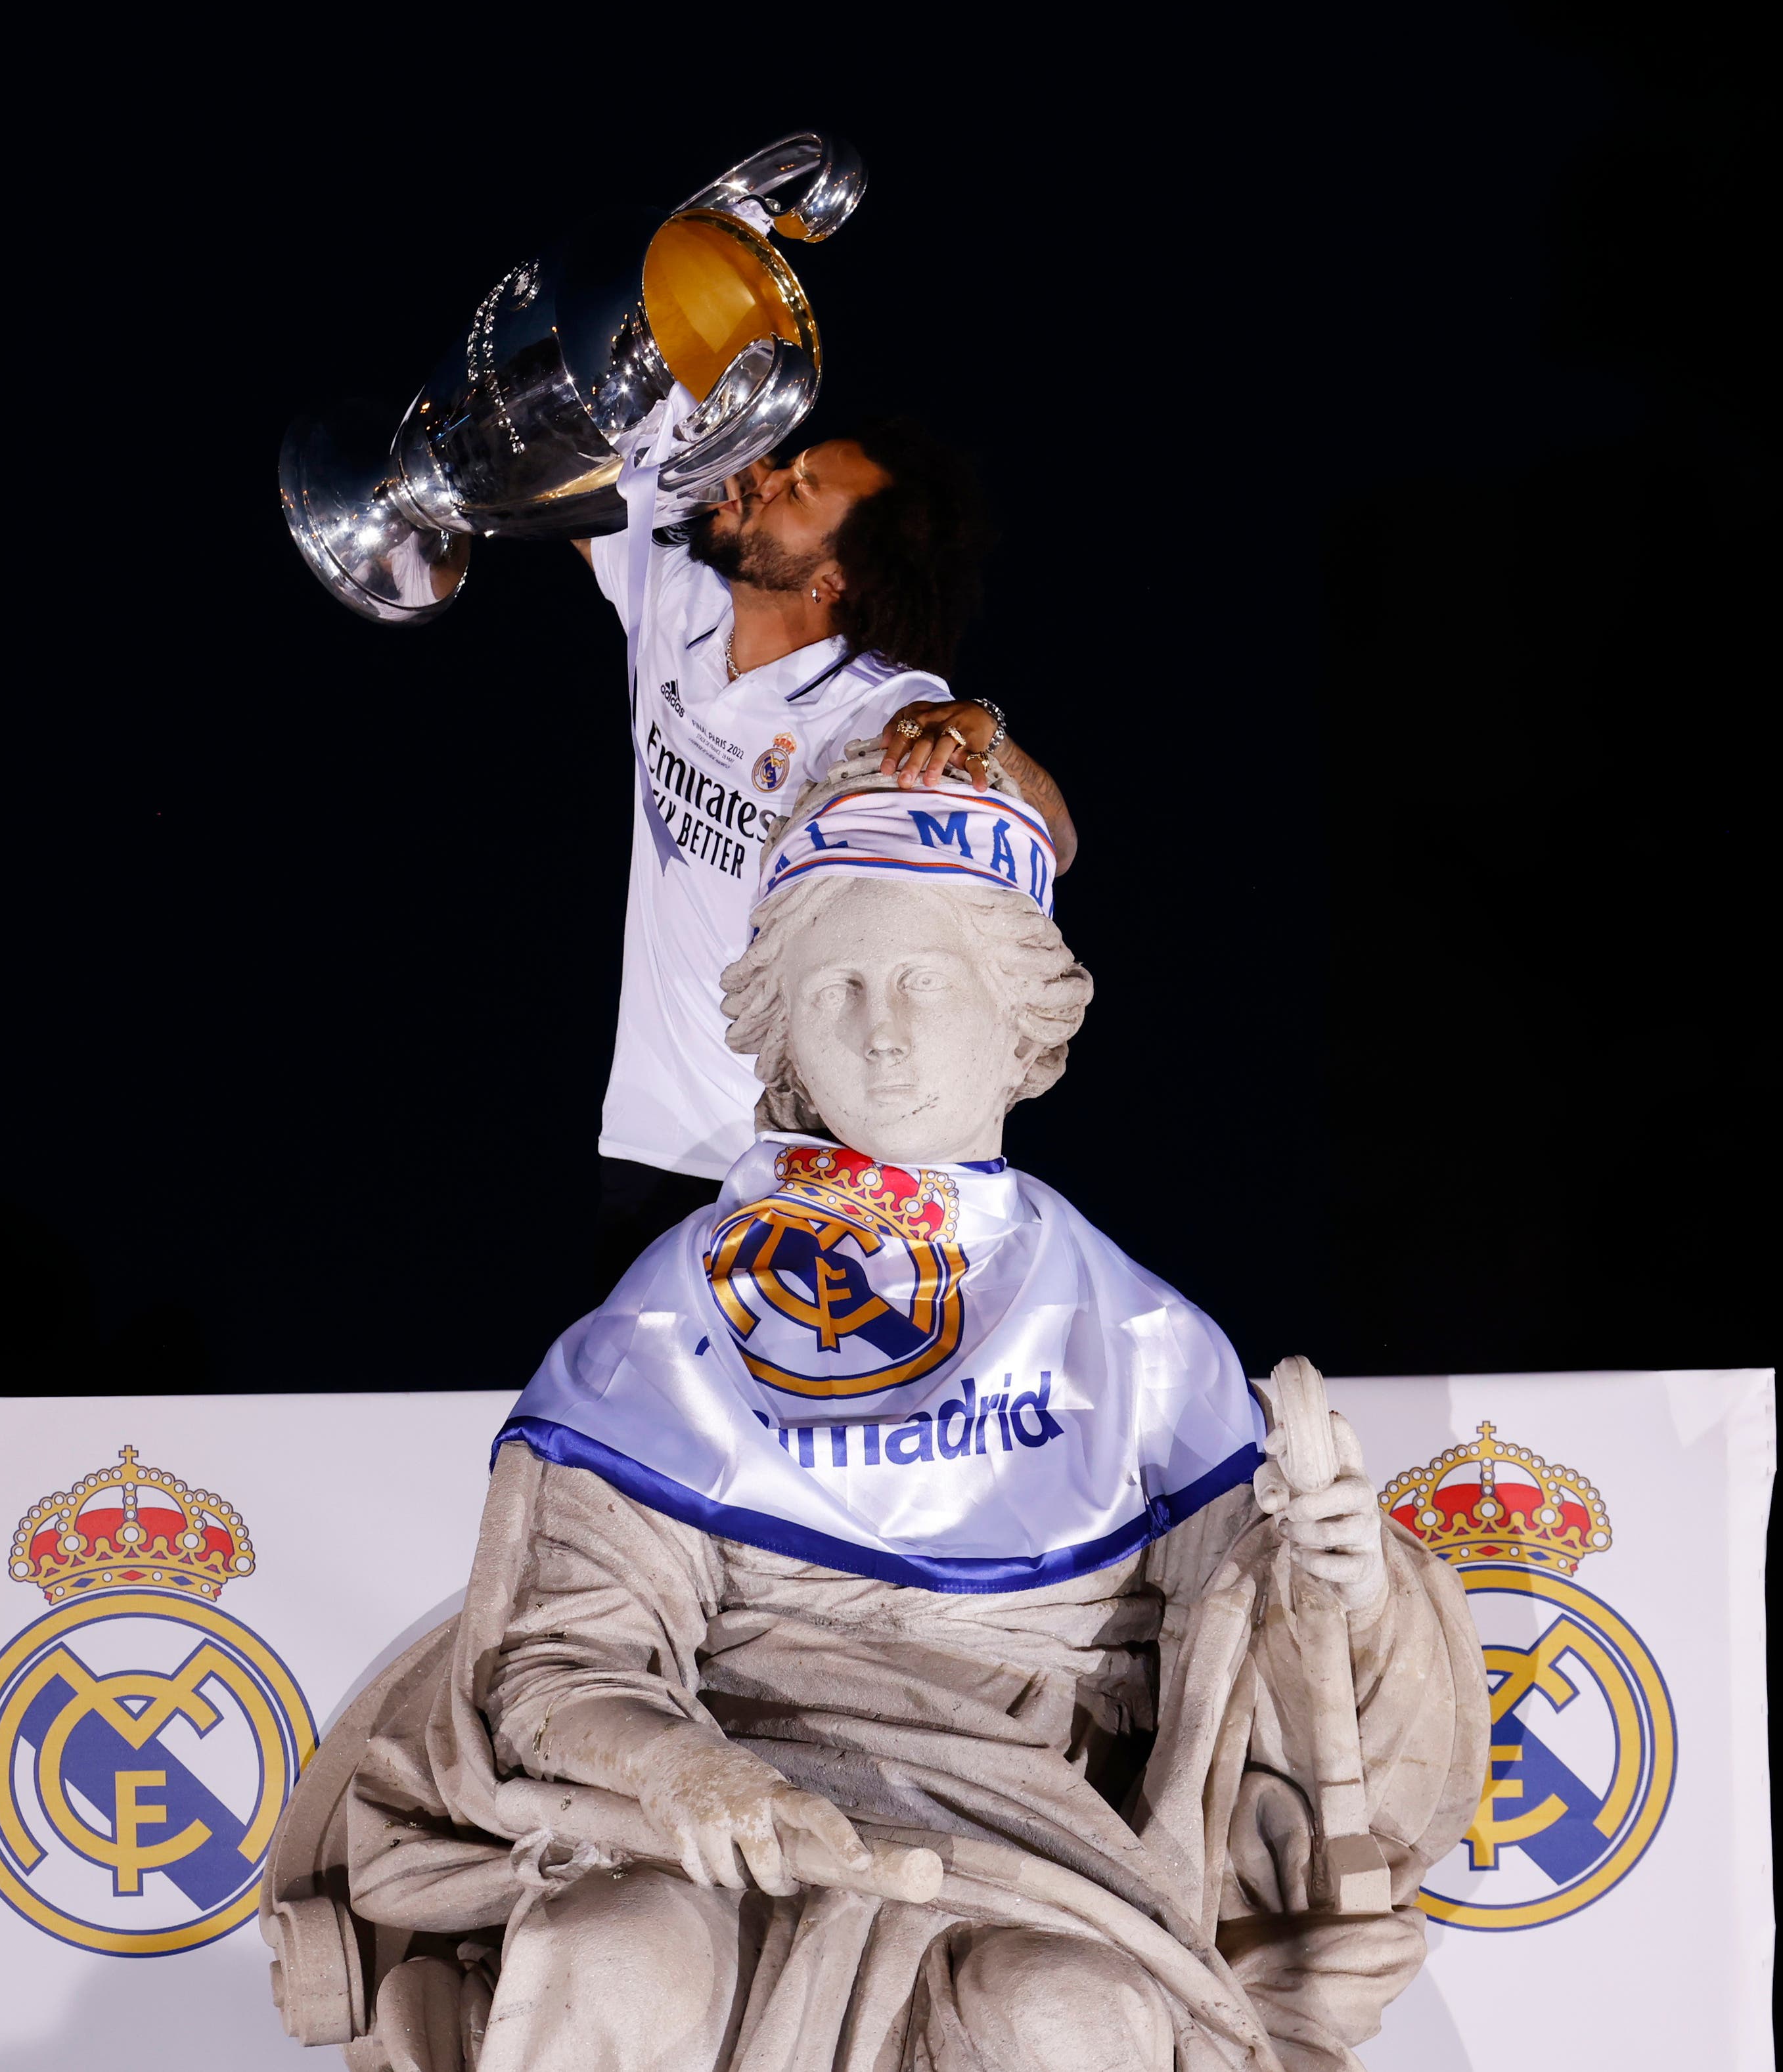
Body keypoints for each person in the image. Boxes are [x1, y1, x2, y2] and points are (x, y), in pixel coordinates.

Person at [259, 747, 1485, 2072]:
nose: (882, 1029)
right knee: (609, 1951)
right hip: (718, 1804)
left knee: (1070, 2015)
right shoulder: (677, 1318)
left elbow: (1257, 1665)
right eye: (837, 987)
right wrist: (688, 1772)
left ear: (1020, 1020)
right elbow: (564, 1666)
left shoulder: (1138, 1340)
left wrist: (1348, 1587)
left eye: (923, 981)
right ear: (781, 1026)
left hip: (1029, 1851)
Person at [576, 417, 1077, 1288]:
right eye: (786, 466)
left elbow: (1057, 843)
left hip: (811, 1159)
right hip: (651, 1140)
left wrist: (986, 734)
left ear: (834, 578)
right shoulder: (675, 598)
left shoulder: (877, 707)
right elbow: (558, 483)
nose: (766, 477)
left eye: (800, 489)